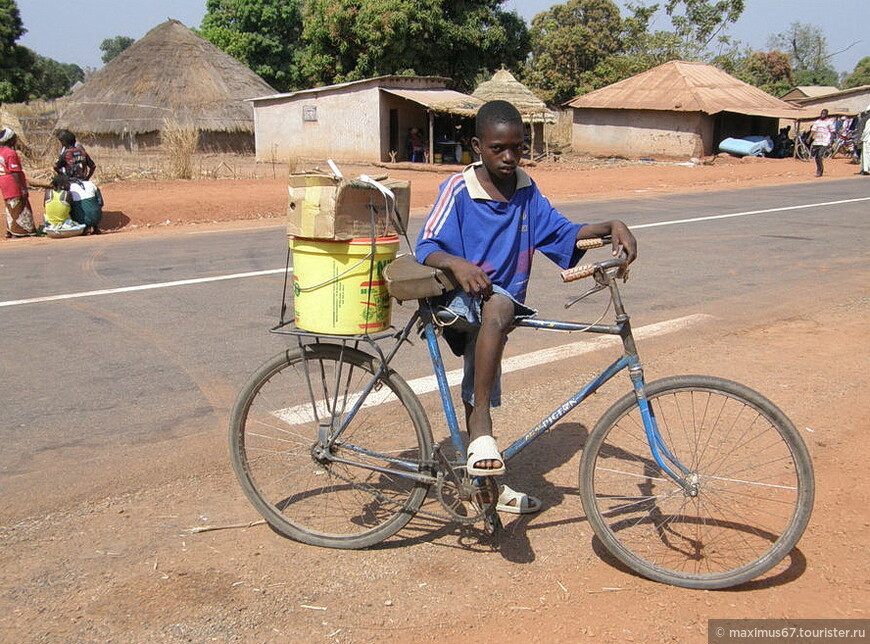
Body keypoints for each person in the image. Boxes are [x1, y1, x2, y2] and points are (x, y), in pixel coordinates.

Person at [415, 100, 637, 514]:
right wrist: (458, 263)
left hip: (497, 304)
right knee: (498, 314)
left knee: (487, 350)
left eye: (517, 148)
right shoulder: (459, 190)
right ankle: (481, 427)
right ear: (477, 145)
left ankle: (486, 484)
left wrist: (611, 226)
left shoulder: (525, 189)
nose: (510, 157)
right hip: (458, 297)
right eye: (499, 148)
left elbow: (562, 232)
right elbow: (426, 245)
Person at [0, 127, 37, 238]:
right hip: (13, 183)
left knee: (10, 206)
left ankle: (11, 230)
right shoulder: (11, 153)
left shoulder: (1, 152)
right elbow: (15, 172)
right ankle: (21, 231)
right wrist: (22, 188)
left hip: (4, 183)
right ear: (10, 140)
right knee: (20, 206)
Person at [43, 173, 85, 238]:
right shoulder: (67, 194)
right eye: (68, 183)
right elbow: (72, 209)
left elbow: (45, 206)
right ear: (63, 185)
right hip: (65, 224)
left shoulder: (47, 192)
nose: (69, 185)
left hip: (50, 225)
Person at [807, 109, 835, 177]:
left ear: (826, 114)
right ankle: (819, 169)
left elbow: (832, 132)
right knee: (816, 157)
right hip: (817, 141)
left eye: (824, 114)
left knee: (820, 155)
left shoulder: (829, 122)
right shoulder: (817, 122)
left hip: (825, 141)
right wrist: (809, 138)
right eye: (821, 113)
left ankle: (820, 171)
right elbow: (813, 130)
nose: (822, 115)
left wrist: (831, 140)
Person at [860, 104, 870, 176]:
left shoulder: (867, 120)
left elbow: (865, 131)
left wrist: (861, 138)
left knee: (866, 154)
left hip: (867, 140)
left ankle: (866, 169)